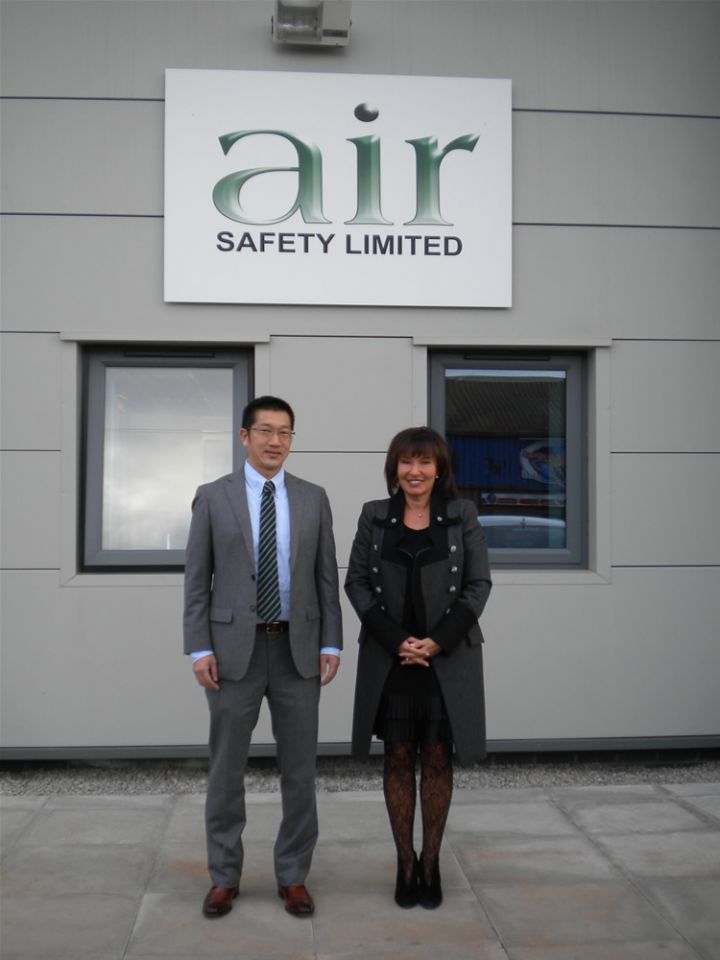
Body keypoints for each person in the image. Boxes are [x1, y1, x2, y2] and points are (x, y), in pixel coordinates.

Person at [184, 396, 342, 920]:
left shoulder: (314, 498)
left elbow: (326, 577)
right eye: (266, 431)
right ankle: (223, 877)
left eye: (285, 432)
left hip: (298, 651)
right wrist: (200, 647)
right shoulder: (213, 497)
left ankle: (293, 875)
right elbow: (197, 581)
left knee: (300, 770)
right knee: (226, 770)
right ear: (244, 436)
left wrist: (331, 642)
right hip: (234, 654)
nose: (276, 441)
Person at [345, 426, 491, 910]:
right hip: (392, 661)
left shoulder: (462, 515)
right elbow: (356, 584)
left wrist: (437, 641)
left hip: (444, 659)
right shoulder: (374, 516)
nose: (415, 471)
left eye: (425, 462)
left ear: (439, 468)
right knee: (397, 758)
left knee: (437, 759)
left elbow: (478, 584)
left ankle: (431, 862)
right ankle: (404, 862)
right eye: (406, 462)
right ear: (395, 468)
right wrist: (397, 640)